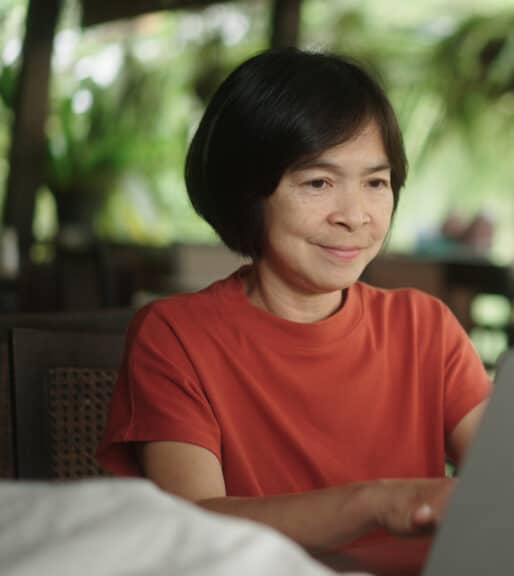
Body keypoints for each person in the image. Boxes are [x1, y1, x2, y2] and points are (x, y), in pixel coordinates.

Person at [95, 48, 491, 553]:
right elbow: (195, 523)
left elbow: (513, 483)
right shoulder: (175, 335)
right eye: (318, 182)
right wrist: (376, 502)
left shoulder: (424, 326)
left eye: (375, 182)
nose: (355, 215)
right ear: (247, 194)